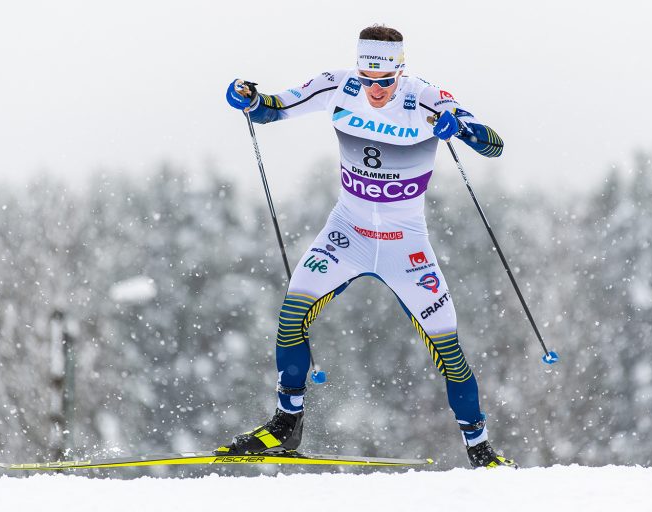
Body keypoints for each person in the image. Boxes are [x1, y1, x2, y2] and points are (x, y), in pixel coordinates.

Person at [218, 24, 516, 469]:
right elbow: (272, 109)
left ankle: (481, 449)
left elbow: (495, 145)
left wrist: (464, 131)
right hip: (347, 234)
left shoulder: (426, 98)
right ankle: (285, 426)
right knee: (290, 318)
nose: (375, 90)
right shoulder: (340, 84)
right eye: (368, 78)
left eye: (385, 81)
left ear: (400, 71)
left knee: (450, 353)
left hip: (406, 247)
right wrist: (249, 99)